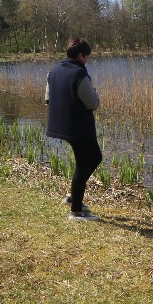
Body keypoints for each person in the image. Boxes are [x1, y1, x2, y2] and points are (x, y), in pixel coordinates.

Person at [45, 37, 102, 221]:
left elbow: (47, 98)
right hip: (78, 127)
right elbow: (93, 103)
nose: (87, 60)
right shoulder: (79, 74)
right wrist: (95, 93)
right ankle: (76, 211)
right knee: (88, 162)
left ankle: (73, 196)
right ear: (80, 55)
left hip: (60, 124)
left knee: (91, 159)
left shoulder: (53, 71)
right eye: (87, 56)